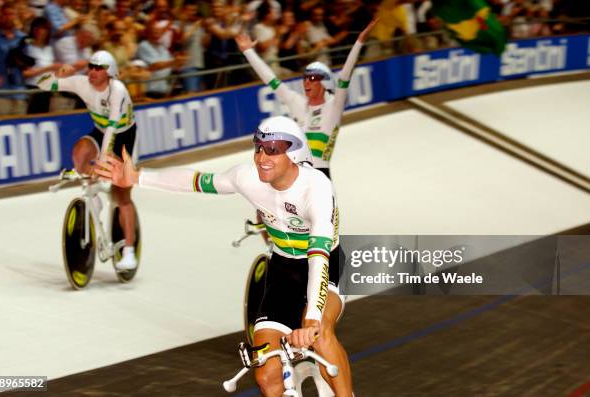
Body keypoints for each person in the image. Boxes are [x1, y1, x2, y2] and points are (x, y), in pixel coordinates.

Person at [95, 116, 354, 396]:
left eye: (273, 149)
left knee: (320, 334)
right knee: (266, 374)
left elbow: (318, 257)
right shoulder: (246, 177)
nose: (262, 157)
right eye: (259, 147)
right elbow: (194, 181)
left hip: (326, 264)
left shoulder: (317, 188)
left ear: (293, 153)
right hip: (283, 271)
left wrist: (313, 319)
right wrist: (138, 177)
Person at [236, 19, 377, 179]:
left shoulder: (334, 106)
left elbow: (345, 75)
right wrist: (248, 51)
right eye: (305, 78)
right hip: (294, 175)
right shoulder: (297, 102)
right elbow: (270, 79)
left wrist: (359, 42)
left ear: (324, 82)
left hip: (319, 175)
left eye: (312, 78)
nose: (306, 82)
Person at [37, 50, 138, 271]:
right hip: (101, 130)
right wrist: (58, 76)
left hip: (123, 135)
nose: (92, 71)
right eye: (90, 66)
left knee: (121, 194)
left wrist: (103, 161)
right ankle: (94, 196)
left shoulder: (117, 89)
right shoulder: (80, 83)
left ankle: (129, 251)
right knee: (80, 152)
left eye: (98, 68)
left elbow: (113, 130)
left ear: (109, 72)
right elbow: (41, 85)